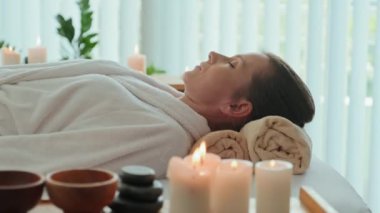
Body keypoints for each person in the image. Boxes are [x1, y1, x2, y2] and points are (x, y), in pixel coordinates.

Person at [0, 51, 314, 177]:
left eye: (231, 63)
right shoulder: (158, 94)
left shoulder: (163, 137)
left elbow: (39, 161)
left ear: (235, 108)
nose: (214, 54)